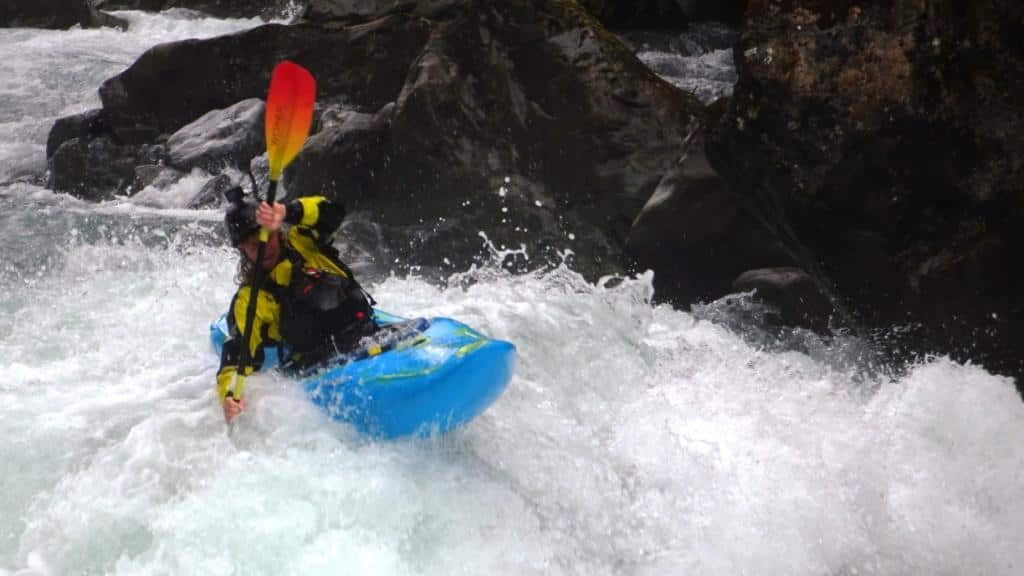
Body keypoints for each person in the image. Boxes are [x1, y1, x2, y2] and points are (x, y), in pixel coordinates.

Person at [217, 188, 377, 423]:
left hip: (368, 333)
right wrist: (230, 395)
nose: (263, 249)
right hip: (322, 365)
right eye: (253, 246)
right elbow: (237, 355)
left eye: (267, 238)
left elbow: (333, 212)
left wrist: (289, 211)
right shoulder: (251, 299)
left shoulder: (304, 240)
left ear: (276, 230)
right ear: (241, 249)